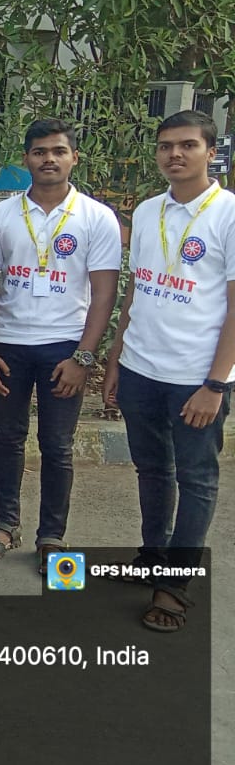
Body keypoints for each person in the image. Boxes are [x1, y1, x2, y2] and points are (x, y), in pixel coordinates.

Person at [104, 109, 234, 633]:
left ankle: (175, 586)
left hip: (195, 377)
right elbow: (137, 288)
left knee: (196, 478)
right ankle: (152, 558)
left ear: (211, 152)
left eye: (187, 145)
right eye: (165, 146)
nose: (174, 154)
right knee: (152, 469)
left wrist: (215, 384)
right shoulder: (148, 210)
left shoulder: (228, 214)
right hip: (141, 368)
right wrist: (117, 357)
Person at [0, 118, 121, 569]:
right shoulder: (1, 215)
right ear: (26, 159)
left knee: (57, 445)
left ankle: (51, 536)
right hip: (9, 344)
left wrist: (84, 357)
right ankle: (5, 524)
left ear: (74, 157)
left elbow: (104, 294)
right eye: (39, 152)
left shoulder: (96, 217)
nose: (49, 159)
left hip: (65, 347)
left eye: (58, 151)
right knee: (8, 438)